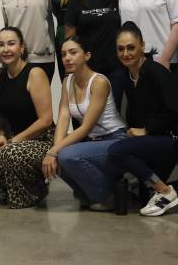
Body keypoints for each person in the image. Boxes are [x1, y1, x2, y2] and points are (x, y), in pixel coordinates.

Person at [41, 37, 126, 210]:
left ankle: (108, 196)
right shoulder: (67, 81)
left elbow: (86, 126)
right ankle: (90, 195)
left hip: (115, 139)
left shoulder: (99, 82)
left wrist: (55, 151)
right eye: (64, 54)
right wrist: (54, 150)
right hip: (93, 142)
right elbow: (63, 116)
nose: (67, 58)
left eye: (73, 52)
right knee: (57, 157)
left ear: (87, 55)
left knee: (66, 156)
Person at [107, 22, 178, 217]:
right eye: (121, 49)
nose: (125, 53)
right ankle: (160, 188)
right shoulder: (129, 77)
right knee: (144, 196)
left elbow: (174, 109)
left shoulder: (156, 72)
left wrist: (146, 130)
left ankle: (165, 191)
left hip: (169, 139)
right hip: (152, 141)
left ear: (142, 47)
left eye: (131, 47)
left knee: (116, 152)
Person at [0, 27, 55, 209]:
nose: (6, 49)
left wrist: (15, 140)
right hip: (16, 141)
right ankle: (33, 190)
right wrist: (0, 134)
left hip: (44, 140)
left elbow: (45, 120)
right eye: (1, 45)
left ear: (22, 48)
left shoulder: (35, 73)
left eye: (11, 44)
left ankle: (23, 199)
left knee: (10, 153)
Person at [65, 0, 123, 106]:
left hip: (115, 66)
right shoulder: (75, 0)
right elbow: (70, 38)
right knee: (85, 111)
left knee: (111, 111)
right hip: (87, 68)